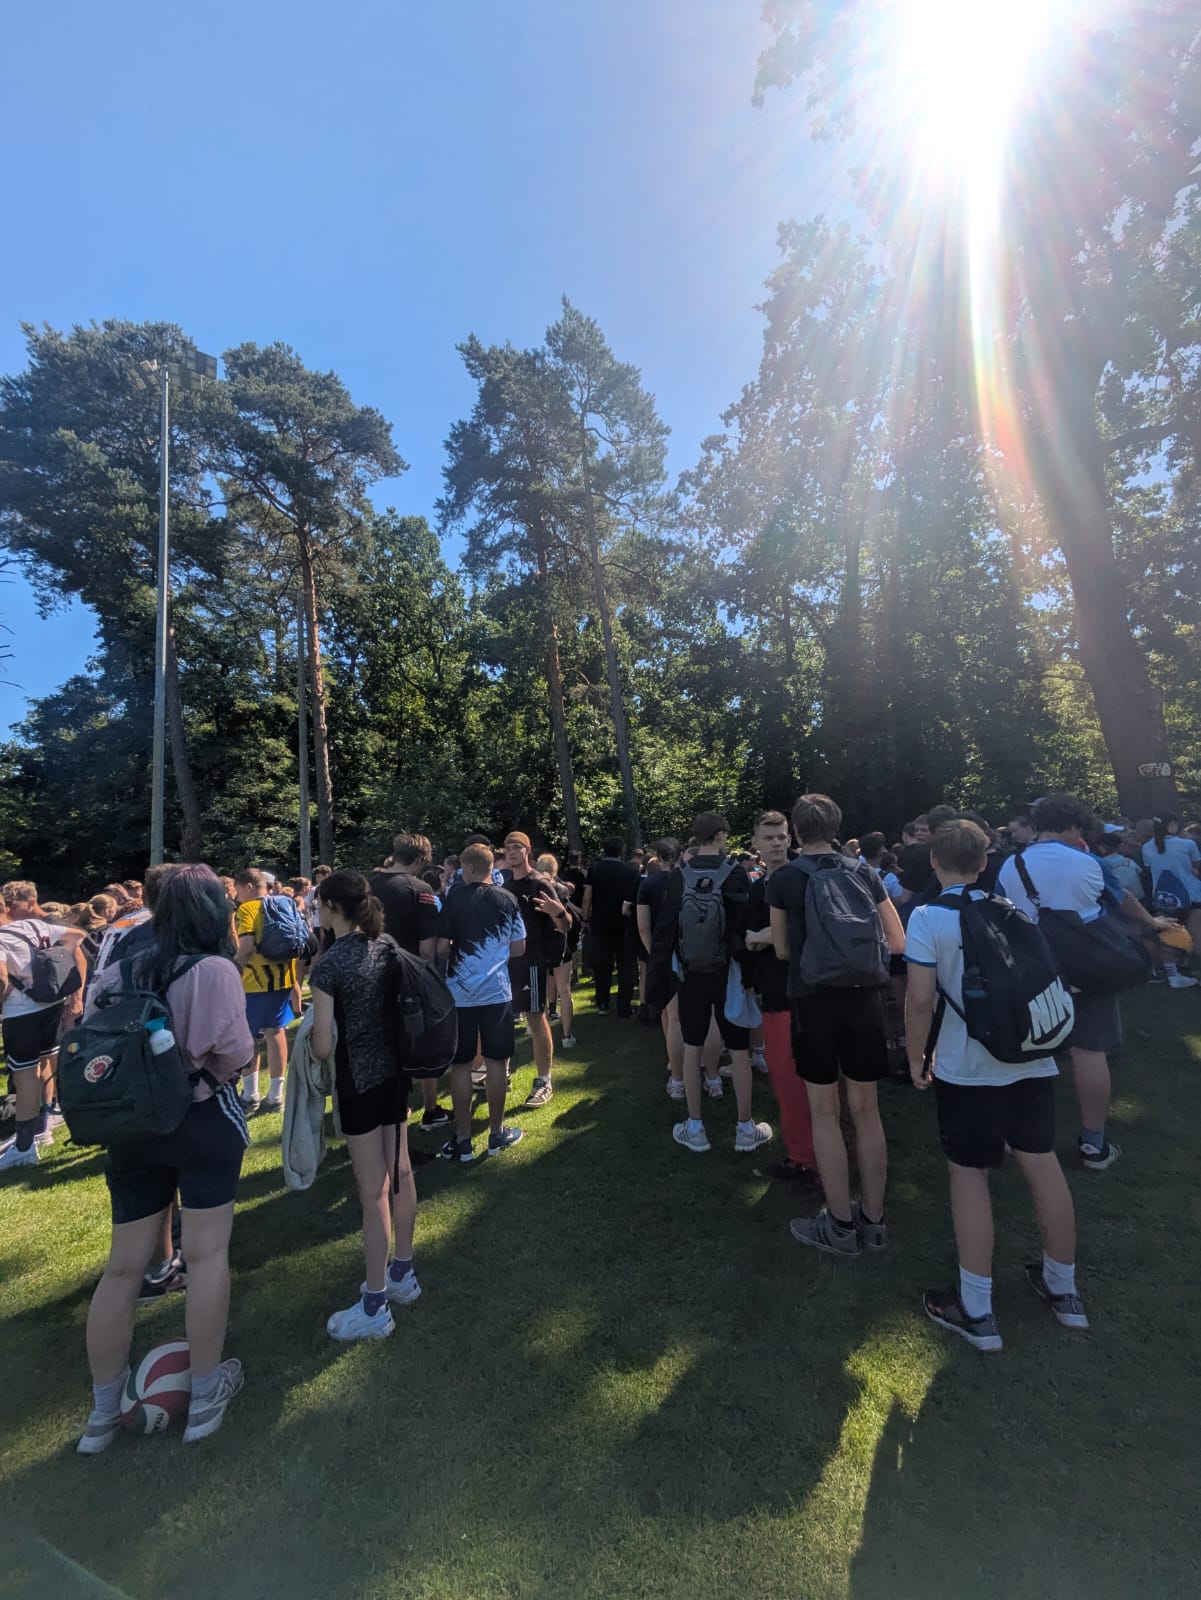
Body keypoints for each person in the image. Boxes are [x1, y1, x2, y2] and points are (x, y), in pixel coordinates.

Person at [77, 866, 253, 1452]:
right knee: (207, 1256)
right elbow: (237, 1053)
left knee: (123, 1266)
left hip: (131, 1126)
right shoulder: (213, 971)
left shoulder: (118, 969)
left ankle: (102, 1413)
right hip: (200, 1117)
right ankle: (205, 1395)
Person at [904, 819, 1088, 1351]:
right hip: (1031, 1057)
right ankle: (1063, 1289)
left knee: (968, 1175)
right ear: (985, 863)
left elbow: (919, 1001)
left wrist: (917, 1057)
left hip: (968, 1064)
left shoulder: (929, 916)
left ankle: (977, 1306)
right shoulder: (1015, 909)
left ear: (935, 863)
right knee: (1041, 1161)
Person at [768, 794, 905, 1256]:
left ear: (796, 829)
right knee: (867, 1110)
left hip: (812, 1003)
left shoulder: (784, 878)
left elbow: (784, 950)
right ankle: (875, 1217)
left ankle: (841, 1226)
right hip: (865, 1000)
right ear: (836, 825)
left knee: (825, 1111)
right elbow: (898, 938)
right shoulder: (864, 871)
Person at [309, 871, 421, 1341]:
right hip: (396, 1076)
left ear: (333, 907)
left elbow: (319, 1046)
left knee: (372, 1191)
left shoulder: (329, 965)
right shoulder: (386, 945)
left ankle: (374, 1305)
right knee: (403, 1173)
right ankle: (403, 1273)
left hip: (358, 1082)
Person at [997, 793, 1123, 1170]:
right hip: (1087, 966)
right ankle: (1093, 1143)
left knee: (1024, 1052)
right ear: (1072, 826)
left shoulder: (1011, 864)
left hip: (1033, 967)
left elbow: (1005, 913)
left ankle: (1012, 1133)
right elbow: (1114, 903)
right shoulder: (1089, 862)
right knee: (1089, 1051)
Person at [670, 811, 772, 1155]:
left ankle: (695, 1127)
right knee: (739, 1050)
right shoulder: (736, 875)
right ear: (721, 835)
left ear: (696, 838)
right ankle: (745, 1128)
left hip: (690, 973)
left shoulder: (679, 875)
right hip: (730, 973)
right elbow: (744, 929)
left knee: (693, 1045)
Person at [436, 843, 527, 1162]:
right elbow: (518, 948)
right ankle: (496, 1133)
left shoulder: (453, 897)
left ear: (471, 869)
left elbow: (441, 946)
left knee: (461, 1065)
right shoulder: (508, 899)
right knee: (497, 1063)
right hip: (496, 993)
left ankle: (462, 1140)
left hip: (459, 994)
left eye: (462, 867)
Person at [744, 812, 819, 1188]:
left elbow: (798, 936)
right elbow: (751, 940)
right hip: (775, 993)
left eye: (781, 836)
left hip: (805, 992)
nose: (776, 843)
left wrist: (762, 935)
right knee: (787, 1079)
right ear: (755, 841)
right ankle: (808, 1152)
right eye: (768, 837)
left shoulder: (803, 879)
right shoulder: (757, 889)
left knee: (800, 1079)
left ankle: (806, 1159)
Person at [0, 881, 87, 1171]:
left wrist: (13, 986)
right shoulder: (34, 927)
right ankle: (42, 1129)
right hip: (50, 1004)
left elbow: (1, 980)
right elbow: (77, 936)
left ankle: (24, 1146)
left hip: (20, 1013)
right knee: (45, 1065)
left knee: (24, 1075)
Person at [369, 833, 450, 1130]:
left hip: (370, 974)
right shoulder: (421, 889)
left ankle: (391, 1110)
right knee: (421, 1041)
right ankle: (430, 1108)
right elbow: (428, 947)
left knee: (383, 1045)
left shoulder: (369, 885)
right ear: (419, 860)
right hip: (408, 978)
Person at [500, 832, 572, 1108]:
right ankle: (499, 1073)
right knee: (501, 1019)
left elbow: (565, 926)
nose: (511, 852)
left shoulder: (539, 884)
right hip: (504, 964)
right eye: (507, 848)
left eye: (516, 847)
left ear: (527, 850)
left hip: (531, 962)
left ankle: (544, 1081)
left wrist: (558, 912)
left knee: (534, 1018)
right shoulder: (504, 885)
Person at [233, 868, 297, 1113]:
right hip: (283, 978)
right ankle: (276, 1095)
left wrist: (233, 969)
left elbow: (246, 947)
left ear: (249, 886)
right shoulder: (285, 902)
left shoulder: (247, 909)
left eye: (238, 890)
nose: (237, 897)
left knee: (249, 1036)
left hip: (254, 982)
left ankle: (250, 1095)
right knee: (276, 1031)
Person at [637, 837, 686, 1098]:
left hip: (663, 952)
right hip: (693, 951)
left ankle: (678, 1078)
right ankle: (701, 1070)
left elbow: (643, 926)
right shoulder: (688, 879)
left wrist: (653, 952)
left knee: (672, 1015)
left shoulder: (648, 883)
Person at [581, 837, 639, 1018]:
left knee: (602, 966)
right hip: (623, 923)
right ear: (621, 850)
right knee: (625, 966)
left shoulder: (595, 869)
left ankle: (603, 1003)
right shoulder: (629, 871)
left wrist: (585, 919)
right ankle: (624, 1006)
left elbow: (587, 897)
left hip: (600, 923)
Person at [1142, 814, 1201, 957]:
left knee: (1170, 935)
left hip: (1164, 895)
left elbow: (1149, 866)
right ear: (1172, 824)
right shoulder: (1187, 844)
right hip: (1190, 893)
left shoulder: (1146, 847)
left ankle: (1173, 973)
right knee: (1197, 932)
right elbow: (1197, 866)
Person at [538, 853, 580, 1048]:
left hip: (540, 943)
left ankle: (540, 1030)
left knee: (542, 986)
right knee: (565, 989)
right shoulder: (560, 889)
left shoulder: (534, 888)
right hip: (559, 940)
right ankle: (566, 1036)